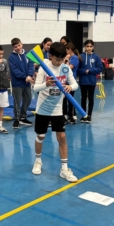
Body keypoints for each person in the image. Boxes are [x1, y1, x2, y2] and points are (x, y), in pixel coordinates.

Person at [31, 42, 79, 182]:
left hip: (57, 108)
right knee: (41, 136)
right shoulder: (44, 67)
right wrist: (46, 84)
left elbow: (75, 84)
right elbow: (35, 88)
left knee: (62, 137)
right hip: (43, 108)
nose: (59, 62)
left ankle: (64, 169)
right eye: (57, 59)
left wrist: (70, 87)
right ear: (50, 56)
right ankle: (38, 161)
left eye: (62, 59)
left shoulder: (65, 68)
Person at [8, 38, 34, 129]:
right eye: (15, 47)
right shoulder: (11, 57)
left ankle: (23, 117)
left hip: (27, 83)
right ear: (13, 47)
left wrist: (29, 75)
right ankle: (16, 119)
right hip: (17, 83)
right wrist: (25, 76)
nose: (18, 48)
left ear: (21, 44)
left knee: (28, 99)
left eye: (19, 45)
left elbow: (31, 65)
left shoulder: (27, 55)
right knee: (17, 101)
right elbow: (14, 70)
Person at [77, 40, 102, 123]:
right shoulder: (81, 56)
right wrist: (84, 71)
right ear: (85, 47)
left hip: (92, 81)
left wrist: (90, 70)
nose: (89, 48)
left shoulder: (96, 56)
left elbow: (100, 68)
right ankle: (84, 115)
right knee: (83, 98)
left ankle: (89, 115)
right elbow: (77, 69)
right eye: (87, 46)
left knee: (91, 98)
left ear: (93, 47)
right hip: (83, 81)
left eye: (90, 46)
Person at [63, 43, 80, 124]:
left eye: (66, 49)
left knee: (70, 99)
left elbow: (68, 68)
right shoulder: (65, 57)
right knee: (64, 99)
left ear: (70, 50)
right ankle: (64, 115)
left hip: (71, 82)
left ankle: (71, 115)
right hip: (64, 81)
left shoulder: (74, 58)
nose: (65, 51)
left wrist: (66, 60)